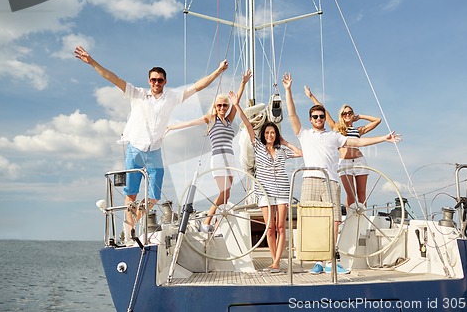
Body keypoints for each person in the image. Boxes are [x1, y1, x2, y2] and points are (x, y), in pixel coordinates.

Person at [74, 45, 228, 243]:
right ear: (149, 81)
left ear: (165, 81)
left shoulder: (171, 97)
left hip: (154, 151)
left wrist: (218, 71)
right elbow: (112, 78)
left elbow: (198, 86)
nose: (156, 82)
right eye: (153, 79)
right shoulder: (137, 94)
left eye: (160, 80)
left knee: (153, 196)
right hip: (135, 150)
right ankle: (129, 234)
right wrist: (92, 62)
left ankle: (133, 224)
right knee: (131, 195)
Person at [283, 73, 400, 274]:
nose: (319, 119)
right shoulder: (303, 134)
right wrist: (288, 91)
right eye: (315, 117)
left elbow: (359, 142)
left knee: (335, 220)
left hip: (331, 181)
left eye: (321, 116)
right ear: (310, 119)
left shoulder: (335, 136)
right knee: (311, 220)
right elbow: (292, 114)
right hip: (310, 179)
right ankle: (317, 261)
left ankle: (330, 260)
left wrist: (383, 138)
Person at [231, 70, 302, 273]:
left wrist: (285, 141)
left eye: (273, 133)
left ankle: (277, 263)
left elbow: (300, 152)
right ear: (264, 135)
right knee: (269, 229)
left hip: (281, 191)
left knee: (281, 228)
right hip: (264, 192)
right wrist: (237, 105)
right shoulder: (259, 147)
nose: (270, 134)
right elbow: (247, 124)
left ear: (276, 135)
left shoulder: (282, 150)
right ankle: (274, 261)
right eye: (268, 132)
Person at [166, 74, 244, 233]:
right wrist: (172, 127)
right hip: (218, 159)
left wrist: (243, 82)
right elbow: (191, 123)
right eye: (219, 105)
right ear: (215, 107)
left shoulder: (229, 120)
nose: (222, 108)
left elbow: (237, 102)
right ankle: (207, 222)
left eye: (224, 105)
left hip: (230, 158)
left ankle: (215, 225)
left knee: (227, 195)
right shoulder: (211, 119)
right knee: (222, 193)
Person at [304, 87, 381, 207]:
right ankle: (350, 220)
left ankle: (362, 222)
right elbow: (323, 110)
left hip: (360, 161)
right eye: (344, 113)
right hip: (344, 163)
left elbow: (377, 120)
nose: (347, 115)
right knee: (351, 194)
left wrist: (360, 116)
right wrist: (311, 96)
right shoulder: (336, 128)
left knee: (362, 195)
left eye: (350, 112)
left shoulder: (358, 130)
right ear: (341, 115)